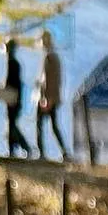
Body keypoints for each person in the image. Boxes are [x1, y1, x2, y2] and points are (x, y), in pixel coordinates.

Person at [35, 30, 70, 162]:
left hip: (48, 99)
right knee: (53, 125)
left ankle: (42, 153)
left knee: (41, 124)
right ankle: (63, 152)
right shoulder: (53, 56)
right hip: (51, 98)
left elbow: (51, 81)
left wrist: (47, 99)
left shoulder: (50, 57)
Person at [0, 38, 32, 159]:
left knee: (12, 125)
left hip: (13, 99)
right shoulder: (12, 63)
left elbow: (12, 84)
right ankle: (12, 149)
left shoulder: (12, 64)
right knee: (11, 124)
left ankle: (24, 146)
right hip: (13, 98)